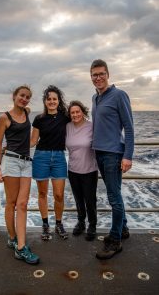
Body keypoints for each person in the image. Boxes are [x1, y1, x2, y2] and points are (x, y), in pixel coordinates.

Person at [90, 59, 134, 259]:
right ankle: (123, 229)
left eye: (101, 74)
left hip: (114, 154)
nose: (98, 78)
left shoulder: (119, 95)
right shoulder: (95, 98)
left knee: (113, 198)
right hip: (99, 153)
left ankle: (115, 240)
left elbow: (129, 128)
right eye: (94, 75)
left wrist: (128, 156)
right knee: (115, 194)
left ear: (108, 74)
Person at [0, 85, 39, 265]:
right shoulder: (4, 117)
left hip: (27, 162)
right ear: (14, 96)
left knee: (22, 204)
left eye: (27, 97)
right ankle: (14, 239)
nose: (25, 99)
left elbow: (29, 138)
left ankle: (20, 247)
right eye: (22, 95)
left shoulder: (27, 112)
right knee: (11, 203)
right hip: (11, 162)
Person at [31, 85, 69, 241]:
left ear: (58, 101)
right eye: (49, 99)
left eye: (54, 99)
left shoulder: (65, 116)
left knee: (59, 195)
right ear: (45, 102)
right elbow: (33, 141)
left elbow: (81, 122)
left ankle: (58, 224)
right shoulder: (39, 119)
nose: (52, 101)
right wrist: (12, 145)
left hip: (59, 157)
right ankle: (45, 224)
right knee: (42, 193)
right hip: (41, 157)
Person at [66, 101, 98, 241]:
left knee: (90, 200)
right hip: (73, 170)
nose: (75, 114)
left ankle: (92, 224)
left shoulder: (92, 126)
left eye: (77, 111)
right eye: (72, 112)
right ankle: (81, 222)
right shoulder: (67, 127)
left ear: (83, 111)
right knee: (78, 199)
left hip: (90, 170)